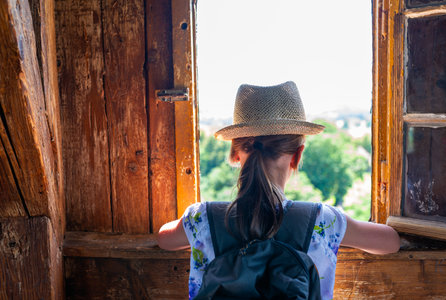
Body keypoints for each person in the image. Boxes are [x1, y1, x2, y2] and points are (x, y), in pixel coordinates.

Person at [157, 81, 400, 299]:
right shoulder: (322, 221)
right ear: (297, 156)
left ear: (234, 153)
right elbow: (391, 242)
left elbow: (164, 238)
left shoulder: (201, 218)